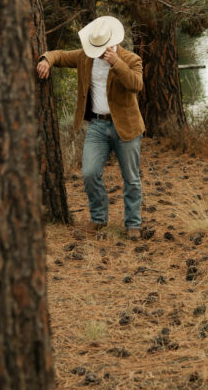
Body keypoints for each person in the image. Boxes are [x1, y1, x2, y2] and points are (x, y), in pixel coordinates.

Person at [37, 15, 144, 237]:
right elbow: (60, 55)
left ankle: (133, 224)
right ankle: (99, 218)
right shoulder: (86, 57)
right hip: (97, 125)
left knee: (131, 179)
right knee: (89, 173)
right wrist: (46, 59)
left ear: (112, 42)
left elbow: (136, 85)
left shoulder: (131, 59)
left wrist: (116, 63)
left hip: (126, 128)